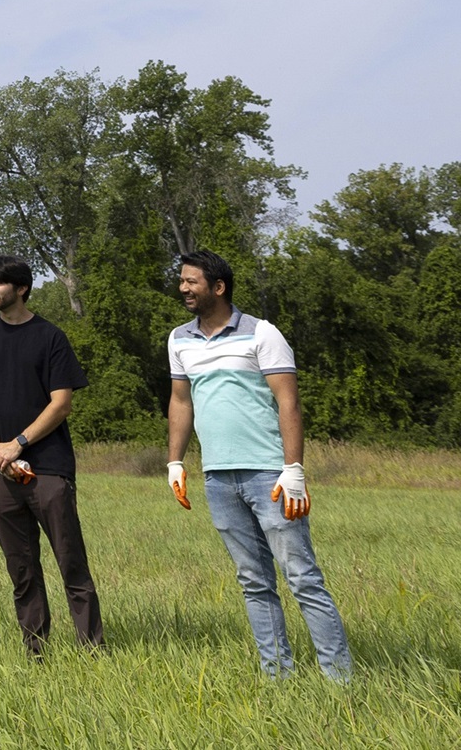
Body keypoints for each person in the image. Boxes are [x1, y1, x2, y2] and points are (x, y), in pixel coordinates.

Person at [166, 248, 352, 682]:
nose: (183, 288)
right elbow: (180, 401)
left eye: (191, 281)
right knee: (253, 581)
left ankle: (340, 680)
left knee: (302, 578)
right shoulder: (179, 339)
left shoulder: (261, 334)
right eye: (181, 280)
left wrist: (294, 470)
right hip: (217, 478)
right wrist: (174, 460)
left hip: (270, 475)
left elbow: (289, 403)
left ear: (218, 286)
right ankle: (277, 676)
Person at [0, 254, 104, 655]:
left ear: (20, 288)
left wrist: (18, 443)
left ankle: (93, 650)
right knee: (21, 569)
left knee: (71, 563)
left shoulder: (50, 337)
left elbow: (61, 403)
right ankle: (35, 651)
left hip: (49, 469)